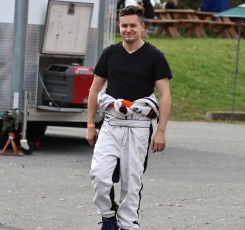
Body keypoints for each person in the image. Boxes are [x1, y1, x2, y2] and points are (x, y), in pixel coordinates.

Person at [86, 5, 172, 230]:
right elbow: (94, 91)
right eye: (124, 25)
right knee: (99, 175)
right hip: (111, 123)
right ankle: (108, 216)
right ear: (119, 26)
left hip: (139, 126)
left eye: (133, 25)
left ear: (142, 26)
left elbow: (164, 95)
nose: (128, 29)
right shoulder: (110, 53)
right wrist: (89, 125)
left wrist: (161, 130)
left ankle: (127, 224)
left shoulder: (155, 57)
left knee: (131, 182)